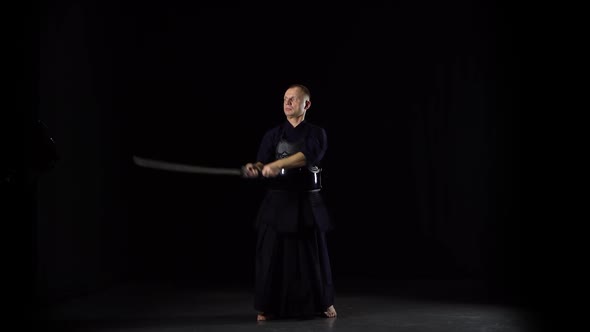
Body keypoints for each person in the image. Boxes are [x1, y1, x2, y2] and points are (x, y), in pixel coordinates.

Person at [242, 84, 337, 321]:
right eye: (285, 98)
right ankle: (267, 305)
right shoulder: (273, 134)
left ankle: (324, 302)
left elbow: (307, 156)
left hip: (305, 201)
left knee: (311, 254)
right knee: (270, 254)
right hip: (277, 202)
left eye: (293, 99)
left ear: (306, 104)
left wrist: (278, 164)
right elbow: (264, 163)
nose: (287, 102)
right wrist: (256, 168)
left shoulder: (316, 133)